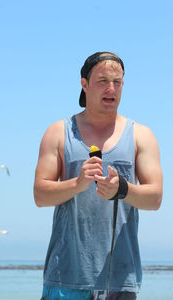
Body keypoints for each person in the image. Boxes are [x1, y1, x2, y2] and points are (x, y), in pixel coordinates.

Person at [33, 51, 163, 300]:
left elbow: (155, 198)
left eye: (117, 82)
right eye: (103, 81)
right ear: (84, 84)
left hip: (120, 280)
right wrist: (77, 183)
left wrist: (121, 190)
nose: (111, 89)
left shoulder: (141, 135)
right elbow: (40, 194)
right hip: (65, 277)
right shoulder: (59, 132)